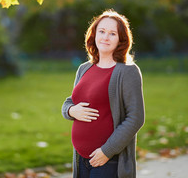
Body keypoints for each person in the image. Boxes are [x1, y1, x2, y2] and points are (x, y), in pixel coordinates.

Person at [61, 9, 145, 178]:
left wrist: (107, 151)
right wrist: (70, 111)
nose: (105, 37)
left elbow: (135, 117)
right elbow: (71, 101)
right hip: (81, 159)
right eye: (102, 31)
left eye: (112, 33)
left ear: (121, 39)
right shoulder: (84, 68)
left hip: (109, 160)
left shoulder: (127, 71)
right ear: (94, 34)